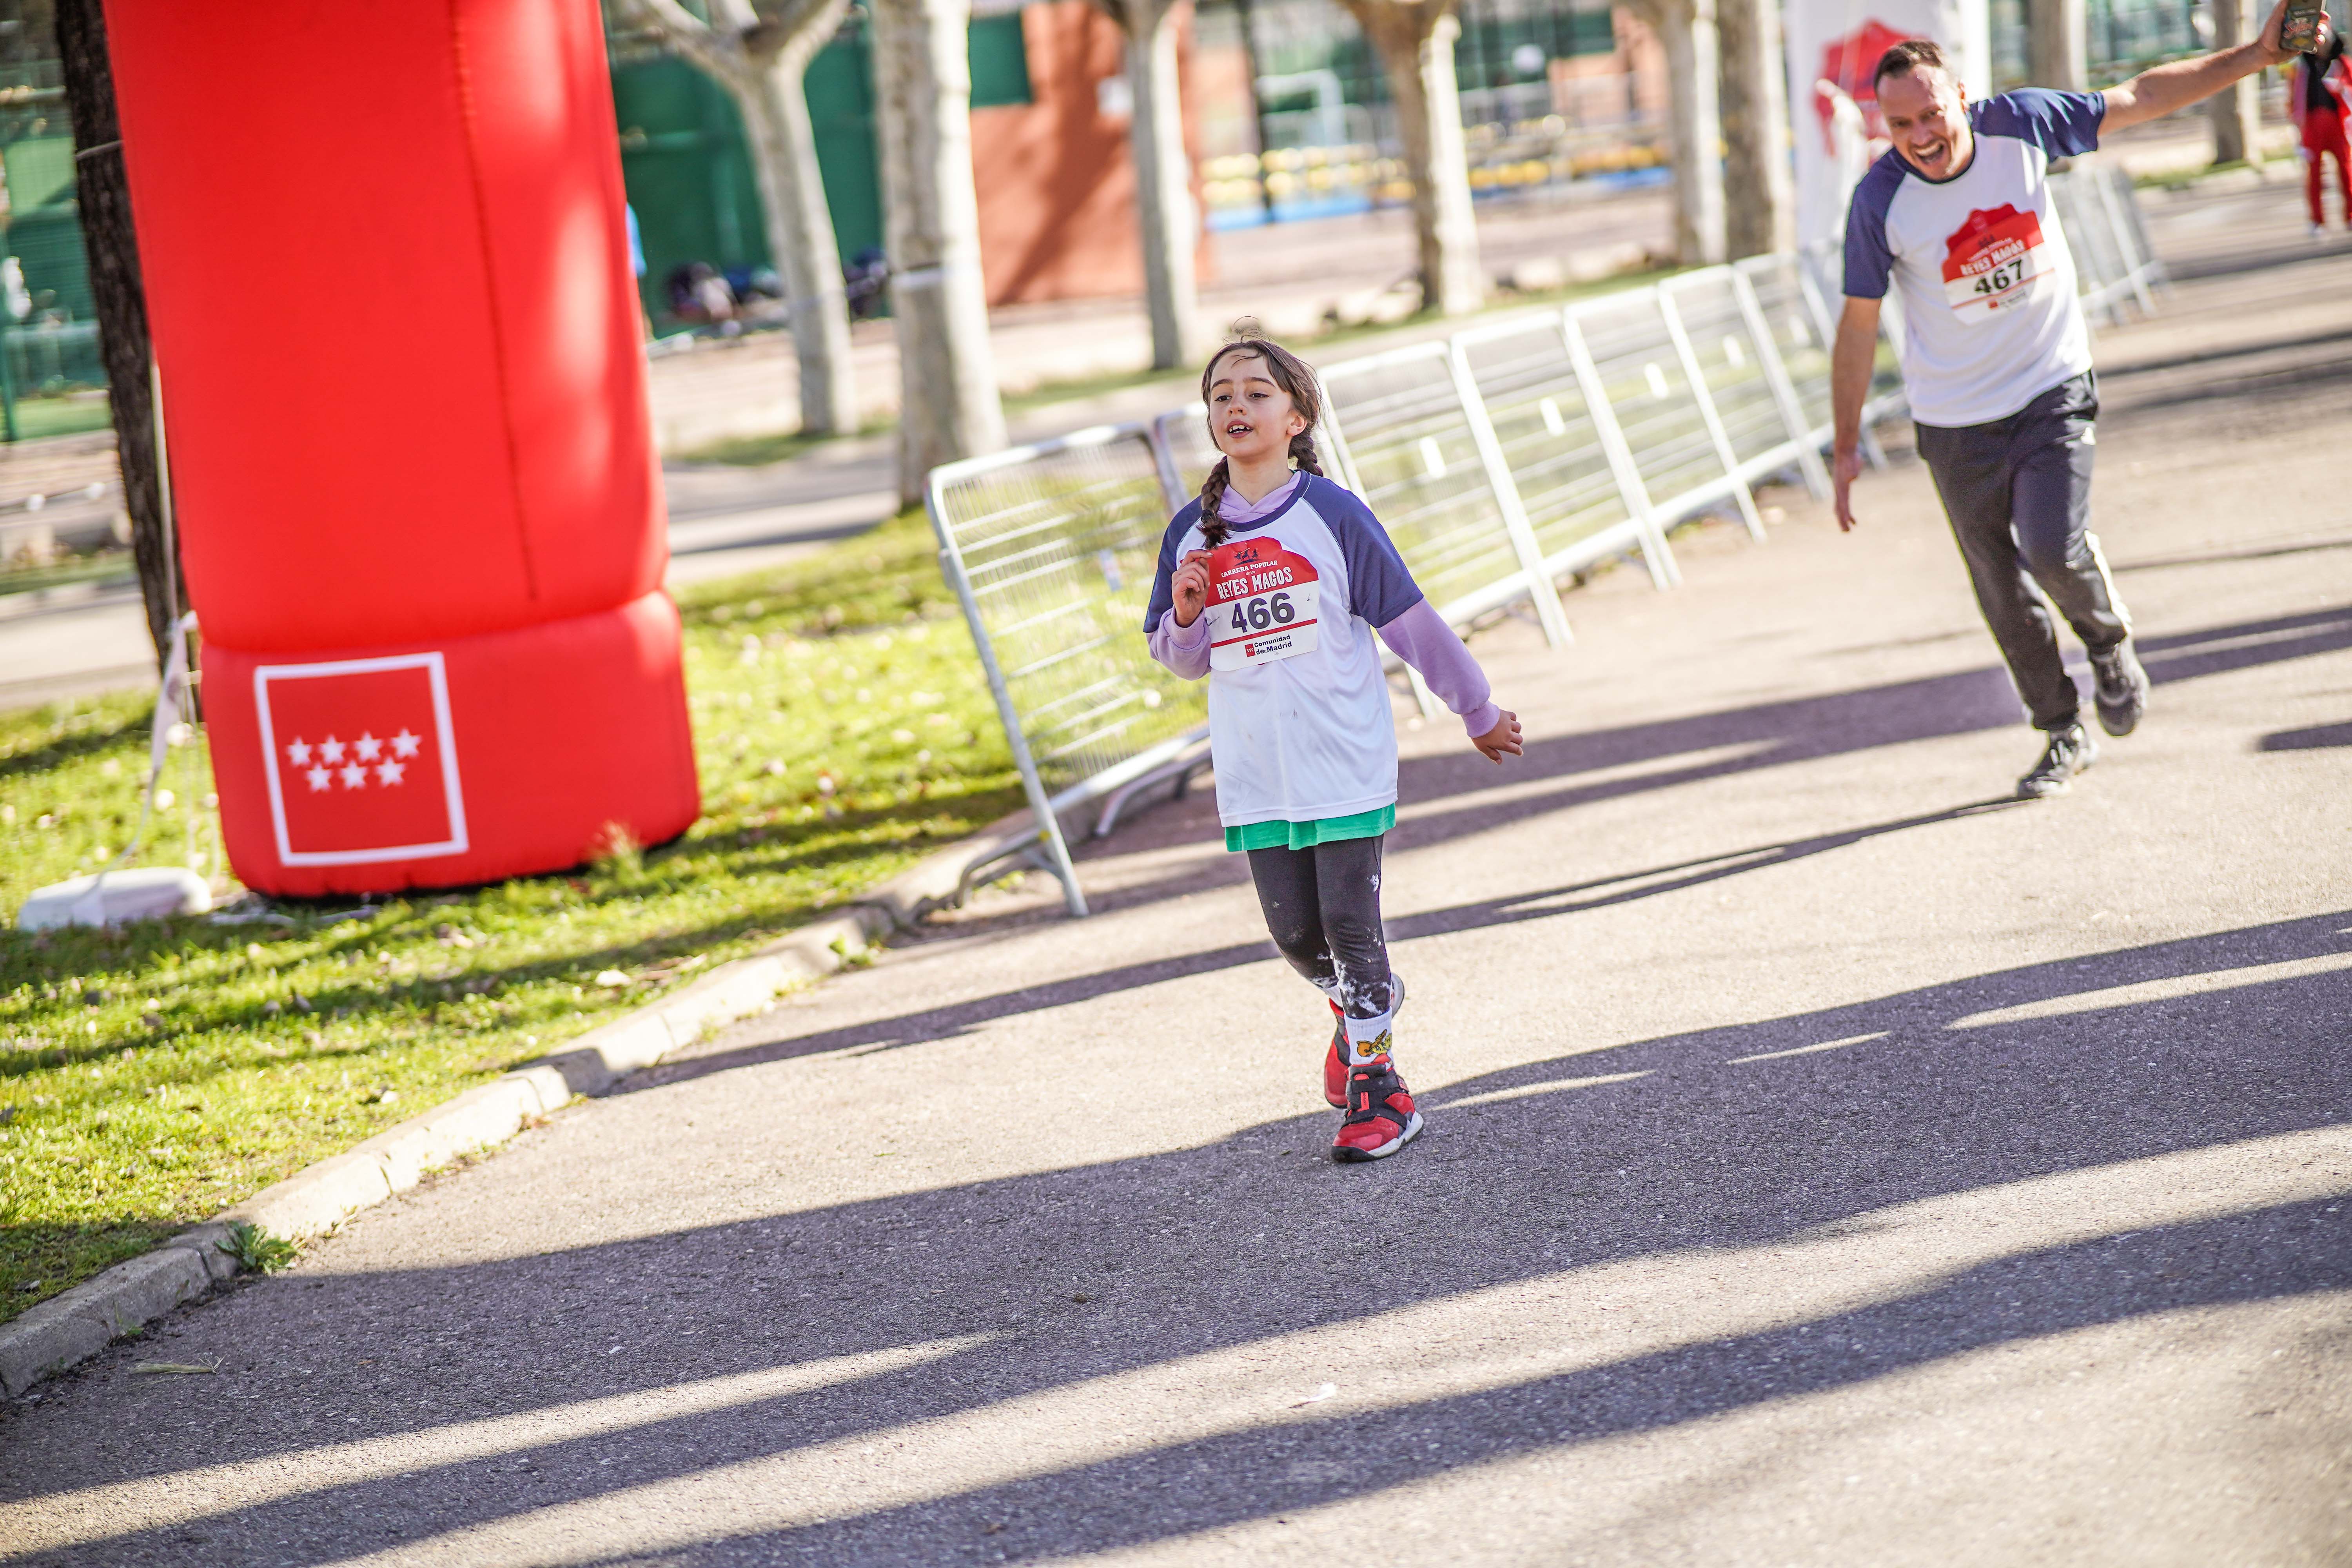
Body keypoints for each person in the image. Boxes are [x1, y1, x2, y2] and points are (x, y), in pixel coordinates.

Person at [1830, 0, 2331, 798]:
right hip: (1954, 420)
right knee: (1998, 583)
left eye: (1931, 114)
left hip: (2048, 385)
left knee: (2054, 548)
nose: (1922, 136)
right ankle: (2061, 727)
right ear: (1882, 127)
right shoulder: (1878, 201)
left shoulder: (2020, 125)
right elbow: (1857, 324)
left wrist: (2253, 56)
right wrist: (1847, 444)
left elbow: (2142, 97)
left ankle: (2106, 640)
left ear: (1961, 95)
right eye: (1901, 125)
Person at [1143, 337, 1524, 1163]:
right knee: (1294, 936)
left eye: (1255, 393)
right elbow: (1179, 661)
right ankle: (1368, 1002)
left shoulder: (1334, 514)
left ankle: (1380, 1092)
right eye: (1220, 397)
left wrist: (1478, 707)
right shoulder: (1189, 531)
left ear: (1297, 416)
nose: (1235, 407)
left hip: (1341, 756)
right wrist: (1183, 613)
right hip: (1256, 772)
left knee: (1351, 924)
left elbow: (1410, 622)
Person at [2291, 31, 2351, 236]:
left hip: (2338, 122)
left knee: (2347, 171)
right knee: (2314, 174)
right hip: (2313, 123)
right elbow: (2294, 99)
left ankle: (2350, 215)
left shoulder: (2341, 65)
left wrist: (2341, 89)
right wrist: (2298, 129)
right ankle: (2317, 220)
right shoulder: (2303, 67)